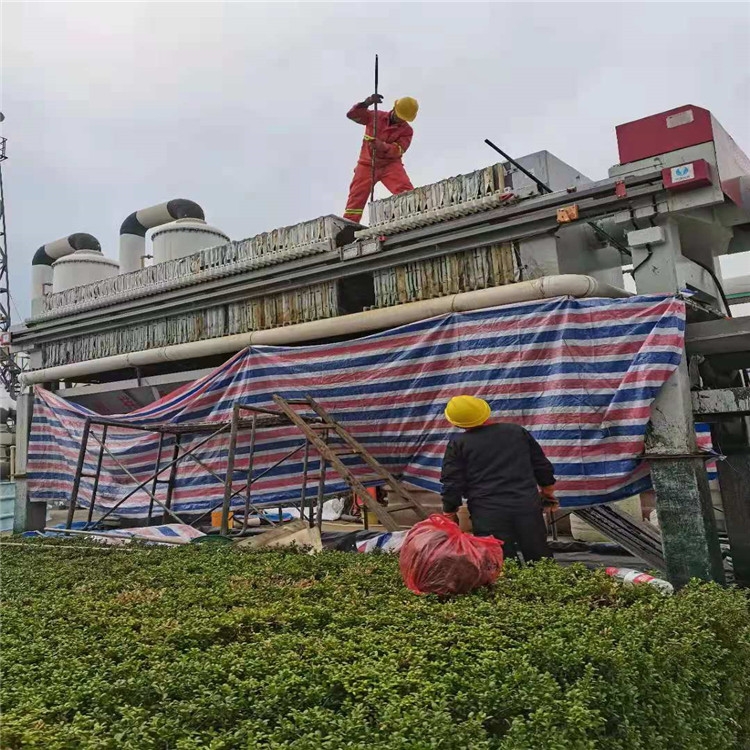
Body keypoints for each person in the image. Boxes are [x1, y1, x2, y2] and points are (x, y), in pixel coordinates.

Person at [439, 394, 558, 563]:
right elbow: (541, 465)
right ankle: (545, 588)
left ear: (456, 423)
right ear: (486, 412)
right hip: (526, 505)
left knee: (500, 561)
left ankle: (507, 587)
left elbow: (452, 482)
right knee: (539, 555)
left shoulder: (459, 444)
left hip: (487, 511)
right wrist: (548, 492)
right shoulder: (516, 432)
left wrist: (449, 511)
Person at [342, 94, 419, 223]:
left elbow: (399, 150)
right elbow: (353, 115)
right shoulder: (375, 116)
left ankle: (414, 218)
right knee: (355, 200)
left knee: (406, 192)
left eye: (403, 118)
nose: (400, 120)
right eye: (399, 115)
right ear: (394, 108)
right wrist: (366, 103)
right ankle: (349, 225)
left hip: (390, 165)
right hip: (366, 164)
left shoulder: (407, 131)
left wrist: (382, 146)